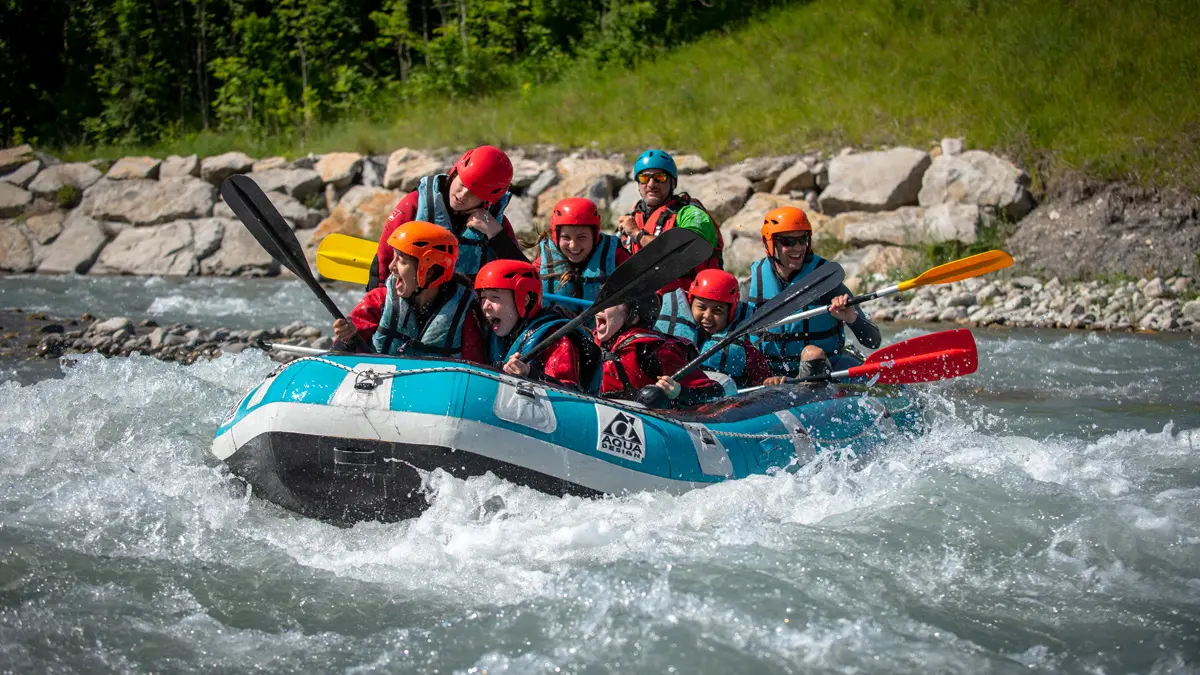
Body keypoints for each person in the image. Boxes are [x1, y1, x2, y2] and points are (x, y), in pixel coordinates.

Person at [369, 145, 527, 290]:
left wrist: (496, 235)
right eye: (463, 184)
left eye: (475, 193)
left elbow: (525, 276)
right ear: (455, 172)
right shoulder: (415, 204)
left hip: (466, 310)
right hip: (416, 299)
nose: (463, 195)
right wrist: (377, 300)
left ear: (486, 201)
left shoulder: (494, 224)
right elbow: (384, 258)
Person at [748, 206, 881, 376]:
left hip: (823, 372)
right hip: (773, 378)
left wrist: (852, 318)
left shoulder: (826, 282)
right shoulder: (753, 286)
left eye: (802, 239)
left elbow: (873, 341)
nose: (798, 248)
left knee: (812, 354)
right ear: (768, 242)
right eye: (788, 241)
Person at [333, 221, 485, 362]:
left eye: (402, 261)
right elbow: (340, 359)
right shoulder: (379, 300)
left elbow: (476, 371)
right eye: (393, 258)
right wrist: (348, 339)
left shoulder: (465, 314)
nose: (391, 267)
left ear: (430, 271)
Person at [474, 259, 597, 389]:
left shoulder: (555, 339)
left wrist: (530, 374)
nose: (485, 306)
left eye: (495, 298)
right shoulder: (494, 335)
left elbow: (570, 393)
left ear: (525, 300)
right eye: (483, 298)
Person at [616, 149, 724, 294]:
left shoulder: (690, 214)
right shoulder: (635, 217)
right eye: (644, 178)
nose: (651, 184)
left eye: (659, 177)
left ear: (673, 183)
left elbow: (687, 255)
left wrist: (637, 234)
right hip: (648, 298)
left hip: (695, 300)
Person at [592, 292, 725, 408]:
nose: (601, 307)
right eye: (603, 300)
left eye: (611, 302)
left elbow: (715, 392)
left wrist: (679, 392)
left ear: (634, 317)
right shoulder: (591, 343)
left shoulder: (653, 351)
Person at [655, 269, 771, 389]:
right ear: (690, 302)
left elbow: (761, 378)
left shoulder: (745, 344)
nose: (707, 316)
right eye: (701, 307)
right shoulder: (666, 326)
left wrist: (769, 382)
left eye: (717, 310)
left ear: (730, 312)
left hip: (721, 400)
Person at [533, 197, 630, 307]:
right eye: (566, 237)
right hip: (559, 323)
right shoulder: (540, 265)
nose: (573, 245)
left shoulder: (616, 257)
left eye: (582, 237)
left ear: (595, 236)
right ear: (556, 237)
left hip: (605, 323)